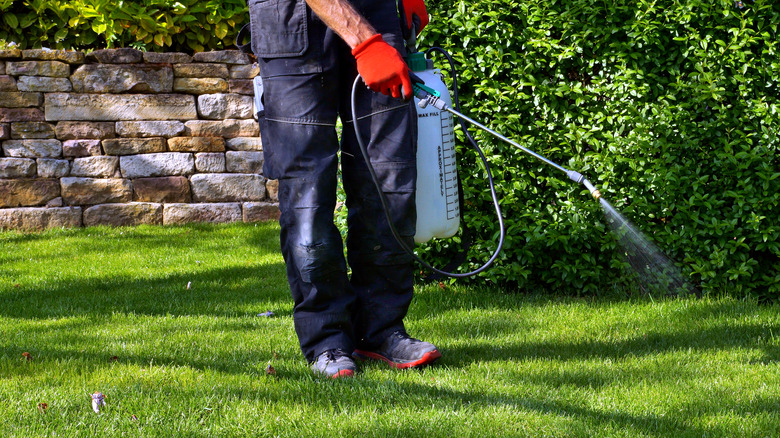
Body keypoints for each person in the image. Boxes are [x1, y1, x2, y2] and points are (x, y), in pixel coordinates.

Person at [247, 0, 441, 378]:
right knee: (307, 196)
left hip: (378, 14)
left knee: (390, 184)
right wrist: (366, 43)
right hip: (290, 28)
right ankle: (327, 339)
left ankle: (381, 330)